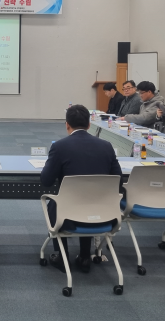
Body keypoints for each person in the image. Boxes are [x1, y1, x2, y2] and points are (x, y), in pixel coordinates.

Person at [41, 104, 122, 273]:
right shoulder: (106, 146)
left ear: (67, 125)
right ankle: (85, 256)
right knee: (90, 198)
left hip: (69, 214)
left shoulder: (60, 147)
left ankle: (62, 256)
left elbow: (46, 181)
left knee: (55, 203)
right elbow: (118, 181)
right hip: (102, 211)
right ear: (89, 125)